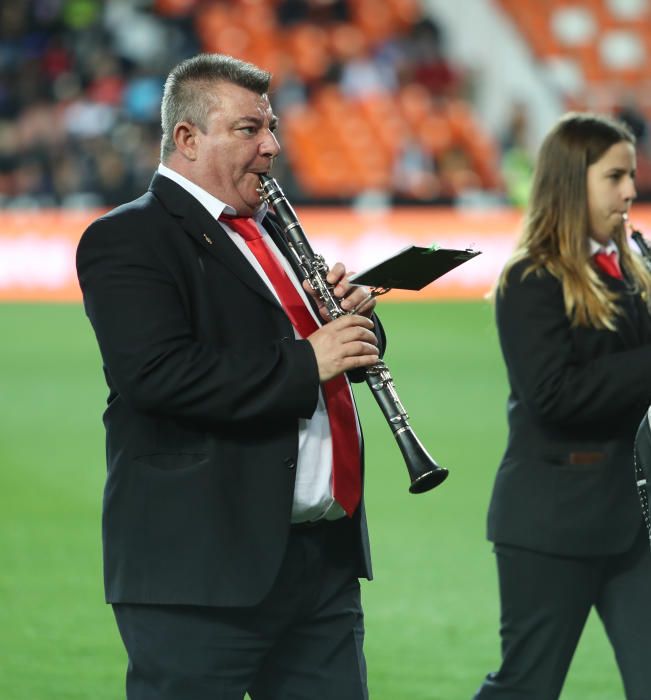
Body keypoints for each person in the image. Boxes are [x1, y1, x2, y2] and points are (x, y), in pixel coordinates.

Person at [76, 53, 384, 700]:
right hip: (199, 573)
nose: (272, 146)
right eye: (249, 130)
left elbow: (312, 350)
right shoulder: (128, 238)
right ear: (186, 139)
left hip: (319, 565)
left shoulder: (268, 229)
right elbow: (156, 375)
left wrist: (352, 326)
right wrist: (311, 357)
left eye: (270, 127)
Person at [474, 112, 651, 699]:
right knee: (526, 687)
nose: (631, 189)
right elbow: (554, 396)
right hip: (552, 521)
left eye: (631, 175)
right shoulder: (530, 279)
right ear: (573, 181)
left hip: (636, 521)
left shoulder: (633, 266)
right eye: (616, 176)